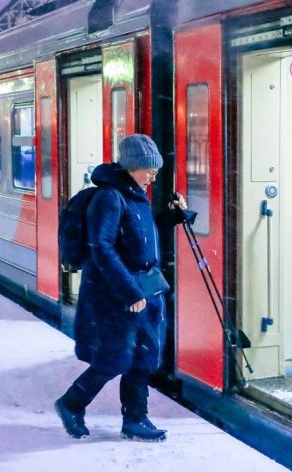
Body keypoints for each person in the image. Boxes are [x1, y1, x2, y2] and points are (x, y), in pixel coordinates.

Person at [54, 134, 186, 442]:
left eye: (155, 170)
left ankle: (136, 420)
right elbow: (101, 247)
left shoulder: (136, 194)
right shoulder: (108, 198)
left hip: (146, 288)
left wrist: (172, 217)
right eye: (148, 170)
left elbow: (138, 235)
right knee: (114, 359)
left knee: (143, 357)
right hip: (116, 295)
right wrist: (129, 291)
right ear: (131, 167)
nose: (153, 176)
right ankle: (71, 404)